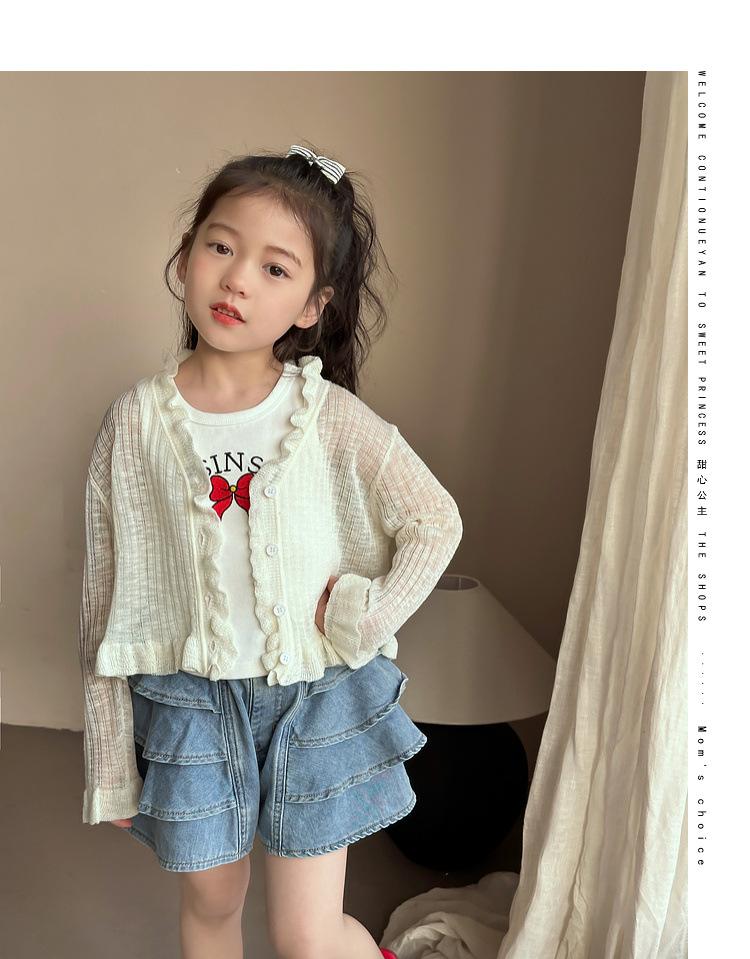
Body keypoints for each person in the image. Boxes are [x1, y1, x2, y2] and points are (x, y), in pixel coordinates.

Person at [77, 142, 463, 959]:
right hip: (191, 704)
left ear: (312, 305)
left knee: (306, 938)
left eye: (275, 267)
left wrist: (365, 614)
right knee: (211, 902)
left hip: (312, 698)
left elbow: (435, 519)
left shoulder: (327, 417)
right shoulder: (134, 425)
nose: (238, 279)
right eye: (220, 246)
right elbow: (104, 601)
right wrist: (111, 756)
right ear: (185, 255)